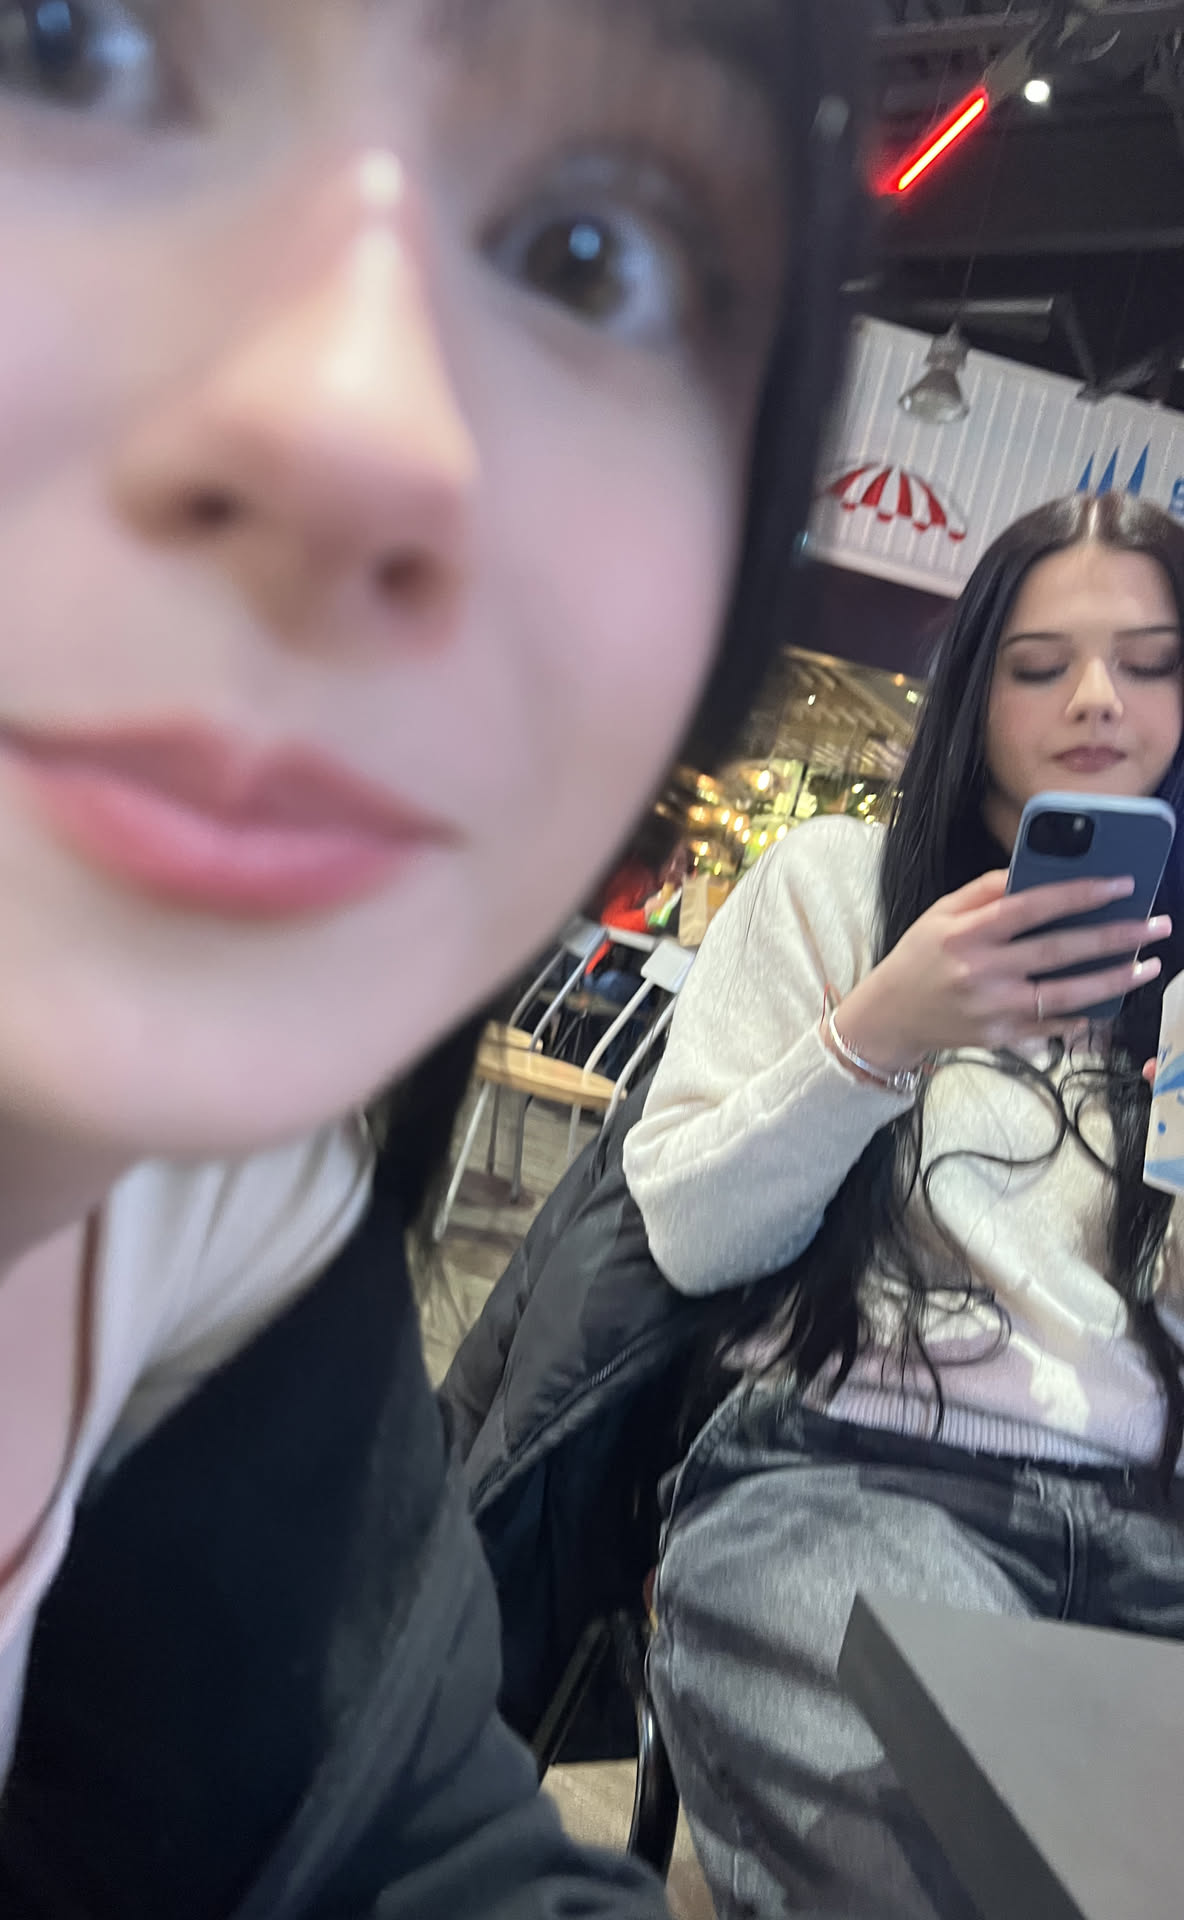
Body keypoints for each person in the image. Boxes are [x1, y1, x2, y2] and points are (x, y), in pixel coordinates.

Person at [0, 0, 865, 1914]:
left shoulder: (217, 1219)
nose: (368, 427)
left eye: (588, 253)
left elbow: (406, 1847)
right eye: (61, 46)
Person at [624, 492, 1184, 1920]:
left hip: (1154, 1512)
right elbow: (695, 1231)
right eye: (1041, 664)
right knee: (923, 1858)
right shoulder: (835, 891)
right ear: (975, 687)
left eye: (1150, 662)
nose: (1099, 699)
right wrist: (881, 1032)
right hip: (855, 1478)